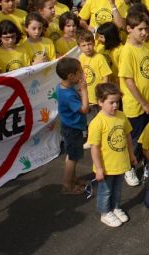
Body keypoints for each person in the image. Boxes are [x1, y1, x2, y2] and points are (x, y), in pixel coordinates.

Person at [87, 82, 136, 228]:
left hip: (121, 163)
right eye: (111, 102)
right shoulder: (97, 123)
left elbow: (127, 136)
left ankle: (115, 207)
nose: (115, 105)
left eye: (117, 102)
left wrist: (131, 154)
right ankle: (105, 212)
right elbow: (94, 148)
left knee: (118, 189)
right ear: (100, 102)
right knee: (106, 191)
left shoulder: (121, 116)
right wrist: (99, 168)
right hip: (106, 166)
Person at [118, 11, 149, 187]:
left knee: (148, 138)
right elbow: (129, 81)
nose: (144, 32)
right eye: (140, 29)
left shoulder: (146, 48)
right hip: (136, 106)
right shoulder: (127, 52)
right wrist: (143, 103)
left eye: (146, 29)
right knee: (134, 139)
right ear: (129, 29)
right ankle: (129, 167)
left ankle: (148, 165)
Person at [56, 57, 89, 195]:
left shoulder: (61, 86)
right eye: (80, 72)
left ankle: (72, 178)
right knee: (73, 157)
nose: (82, 74)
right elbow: (84, 109)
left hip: (68, 126)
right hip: (72, 128)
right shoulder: (68, 94)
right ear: (71, 76)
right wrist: (84, 91)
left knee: (72, 154)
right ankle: (67, 185)